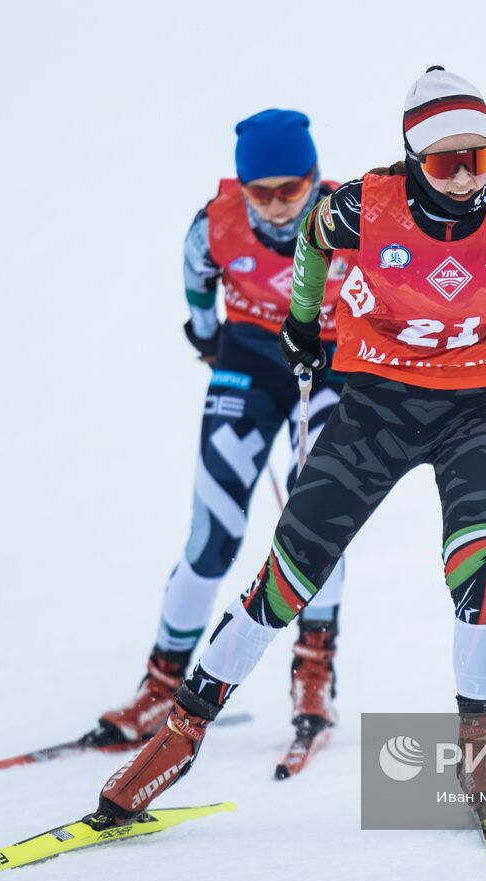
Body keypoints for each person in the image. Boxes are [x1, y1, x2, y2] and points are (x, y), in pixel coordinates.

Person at [92, 67, 486, 823]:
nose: (464, 179)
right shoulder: (361, 207)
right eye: (445, 162)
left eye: (476, 158)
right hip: (376, 406)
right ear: (415, 159)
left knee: (477, 566)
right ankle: (179, 738)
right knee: (286, 577)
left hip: (479, 409)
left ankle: (481, 753)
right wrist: (300, 321)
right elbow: (317, 242)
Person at [95, 110, 355, 765]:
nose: (273, 206)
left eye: (289, 189)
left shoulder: (351, 218)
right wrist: (207, 335)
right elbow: (197, 282)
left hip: (330, 366)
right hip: (250, 361)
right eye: (257, 191)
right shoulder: (215, 222)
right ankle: (161, 684)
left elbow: (398, 286)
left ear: (313, 177)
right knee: (212, 534)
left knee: (314, 520)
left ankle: (312, 675)